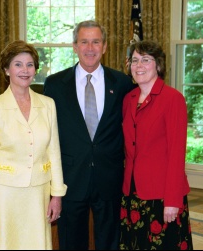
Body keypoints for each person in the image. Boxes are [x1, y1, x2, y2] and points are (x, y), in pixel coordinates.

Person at [43, 20, 135, 250]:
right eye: (84, 42)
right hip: (71, 178)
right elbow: (49, 134)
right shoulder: (54, 84)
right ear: (75, 46)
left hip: (110, 178)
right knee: (71, 242)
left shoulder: (123, 83)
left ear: (104, 47)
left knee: (111, 242)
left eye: (96, 42)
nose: (90, 48)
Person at [0, 40, 67, 250]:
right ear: (6, 69)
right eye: (18, 64)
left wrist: (57, 195)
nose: (25, 70)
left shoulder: (48, 104)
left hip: (38, 196)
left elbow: (54, 153)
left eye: (30, 64)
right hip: (3, 197)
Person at [120, 40, 194, 250]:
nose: (139, 65)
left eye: (146, 60)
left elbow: (176, 154)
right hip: (132, 192)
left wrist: (172, 199)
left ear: (158, 65)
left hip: (162, 194)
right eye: (134, 60)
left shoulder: (173, 99)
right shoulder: (128, 99)